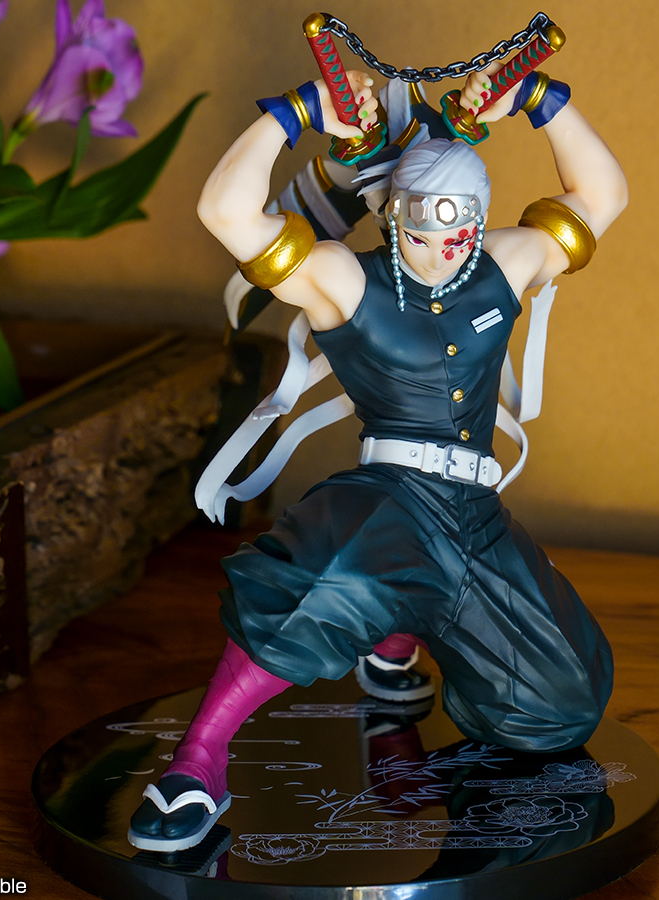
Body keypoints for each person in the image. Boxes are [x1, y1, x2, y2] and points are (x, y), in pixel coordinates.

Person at [128, 62, 628, 853]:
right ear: (391, 211)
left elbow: (602, 197)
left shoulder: (502, 263)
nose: (438, 249)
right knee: (325, 573)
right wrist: (300, 110)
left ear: (478, 216)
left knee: (562, 704)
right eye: (419, 227)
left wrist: (538, 99)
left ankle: (397, 632)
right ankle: (199, 761)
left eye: (456, 229)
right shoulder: (346, 281)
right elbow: (225, 210)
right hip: (391, 492)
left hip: (476, 514)